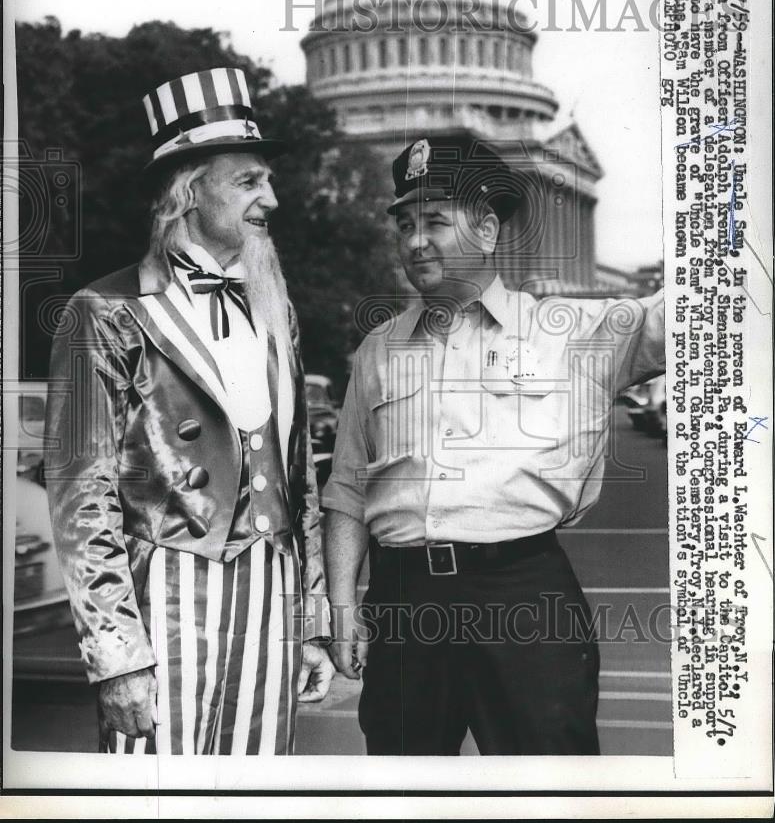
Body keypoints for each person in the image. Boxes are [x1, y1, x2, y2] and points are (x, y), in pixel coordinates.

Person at [322, 134, 664, 755]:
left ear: (486, 228)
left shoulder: (572, 332)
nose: (415, 240)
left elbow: (716, 306)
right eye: (404, 224)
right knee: (405, 795)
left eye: (434, 221)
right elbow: (346, 487)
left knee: (547, 794)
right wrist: (342, 603)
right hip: (402, 604)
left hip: (522, 595)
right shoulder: (378, 349)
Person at [45, 67, 333, 755]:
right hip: (166, 596)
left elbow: (299, 479)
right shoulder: (104, 313)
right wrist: (118, 657)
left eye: (266, 179)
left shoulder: (275, 310)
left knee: (254, 793)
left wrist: (313, 621)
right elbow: (80, 497)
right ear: (186, 192)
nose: (271, 198)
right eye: (247, 181)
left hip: (274, 591)